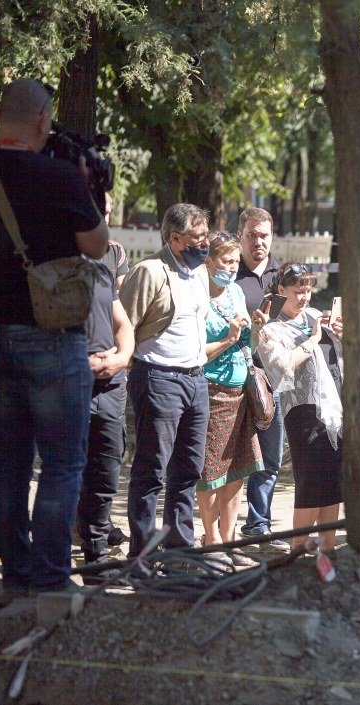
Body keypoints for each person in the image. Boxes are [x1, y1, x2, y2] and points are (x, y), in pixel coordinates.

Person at [0, 77, 109, 596]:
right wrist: (88, 189)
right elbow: (95, 245)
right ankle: (49, 581)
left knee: (7, 464)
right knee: (63, 464)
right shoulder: (59, 177)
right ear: (44, 121)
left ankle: (16, 578)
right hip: (50, 337)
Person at [119, 203, 211, 557]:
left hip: (196, 380)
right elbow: (124, 325)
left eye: (206, 236)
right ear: (175, 238)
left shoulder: (199, 273)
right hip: (158, 379)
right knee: (151, 471)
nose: (204, 244)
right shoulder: (150, 272)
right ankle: (142, 555)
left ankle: (179, 552)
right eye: (197, 237)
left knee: (188, 470)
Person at [257, 262, 344, 551]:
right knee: (310, 482)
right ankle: (298, 550)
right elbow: (281, 368)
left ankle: (328, 550)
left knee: (332, 481)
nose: (304, 297)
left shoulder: (316, 317)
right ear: (280, 290)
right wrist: (313, 341)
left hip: (334, 408)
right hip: (302, 410)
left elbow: (337, 359)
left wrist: (338, 337)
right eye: (298, 291)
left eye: (308, 290)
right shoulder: (271, 328)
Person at [198, 232, 262, 561]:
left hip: (240, 389)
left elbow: (248, 344)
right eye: (226, 260)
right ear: (208, 260)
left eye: (236, 261)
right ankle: (210, 542)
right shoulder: (197, 295)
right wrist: (229, 337)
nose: (232, 267)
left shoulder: (236, 292)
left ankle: (229, 539)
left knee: (238, 468)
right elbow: (194, 352)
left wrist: (256, 329)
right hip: (210, 390)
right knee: (211, 472)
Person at [76, 247, 135, 577]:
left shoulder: (104, 263)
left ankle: (96, 556)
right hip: (69, 382)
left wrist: (122, 356)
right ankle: (52, 563)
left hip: (110, 385)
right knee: (67, 475)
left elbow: (121, 321)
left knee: (105, 472)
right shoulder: (45, 258)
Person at [234, 207, 289, 548]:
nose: (258, 242)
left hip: (270, 381)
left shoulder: (280, 274)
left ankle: (258, 523)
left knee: (269, 457)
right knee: (225, 458)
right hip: (229, 376)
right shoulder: (225, 270)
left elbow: (297, 315)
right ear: (240, 235)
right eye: (252, 235)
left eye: (264, 235)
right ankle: (219, 531)